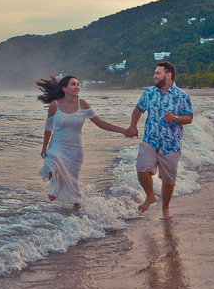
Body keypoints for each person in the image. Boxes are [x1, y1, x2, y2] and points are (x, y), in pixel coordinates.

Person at [37, 75, 130, 208]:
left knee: (74, 182)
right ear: (64, 88)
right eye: (73, 84)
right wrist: (44, 147)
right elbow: (48, 127)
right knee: (53, 165)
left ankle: (78, 211)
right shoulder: (54, 105)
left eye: (78, 84)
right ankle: (55, 189)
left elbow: (100, 123)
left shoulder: (83, 105)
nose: (77, 87)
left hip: (76, 149)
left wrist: (123, 130)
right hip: (57, 145)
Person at [126, 61, 193, 220]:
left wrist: (175, 118)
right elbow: (138, 109)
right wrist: (133, 126)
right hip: (150, 140)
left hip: (171, 145)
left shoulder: (182, 95)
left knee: (168, 182)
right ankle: (150, 196)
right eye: (155, 73)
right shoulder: (149, 92)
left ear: (168, 75)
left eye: (157, 73)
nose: (154, 76)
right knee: (142, 169)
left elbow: (189, 118)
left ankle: (165, 208)